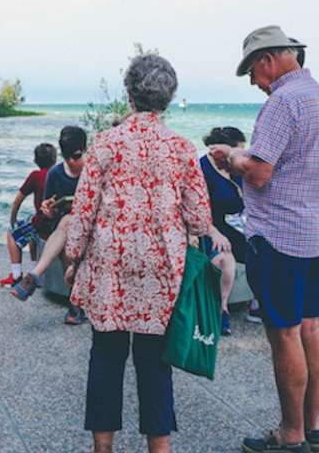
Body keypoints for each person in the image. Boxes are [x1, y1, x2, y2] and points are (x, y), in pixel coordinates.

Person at [65, 53, 223, 453]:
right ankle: (160, 447)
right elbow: (200, 218)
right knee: (155, 361)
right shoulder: (182, 149)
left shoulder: (105, 143)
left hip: (109, 267)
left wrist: (72, 259)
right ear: (168, 98)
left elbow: (83, 211)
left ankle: (103, 447)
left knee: (106, 355)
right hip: (162, 270)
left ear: (129, 94)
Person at [209, 25, 319, 453]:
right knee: (310, 328)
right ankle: (313, 427)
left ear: (267, 61)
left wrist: (230, 156)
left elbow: (261, 171)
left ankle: (291, 432)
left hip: (281, 237)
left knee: (284, 334)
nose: (253, 82)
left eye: (251, 71)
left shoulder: (282, 102)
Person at [10, 126, 90, 325]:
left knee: (68, 221)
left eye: (77, 156)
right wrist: (48, 209)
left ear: (85, 149)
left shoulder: (93, 171)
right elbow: (50, 208)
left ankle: (35, 274)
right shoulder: (55, 174)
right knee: (66, 225)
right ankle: (74, 308)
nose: (72, 161)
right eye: (67, 156)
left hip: (91, 226)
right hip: (66, 231)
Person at [198, 126, 253, 336]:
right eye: (237, 151)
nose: (241, 156)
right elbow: (196, 207)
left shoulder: (237, 168)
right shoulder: (203, 168)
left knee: (268, 249)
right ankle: (221, 310)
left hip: (240, 226)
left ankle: (259, 305)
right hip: (212, 227)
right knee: (224, 259)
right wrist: (213, 232)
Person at [0, 142, 58, 287]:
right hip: (56, 223)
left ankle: (16, 276)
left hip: (41, 223)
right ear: (55, 159)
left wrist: (13, 220)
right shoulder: (58, 174)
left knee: (13, 233)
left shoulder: (36, 176)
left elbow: (17, 201)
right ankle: (34, 271)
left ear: (35, 160)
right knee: (31, 230)